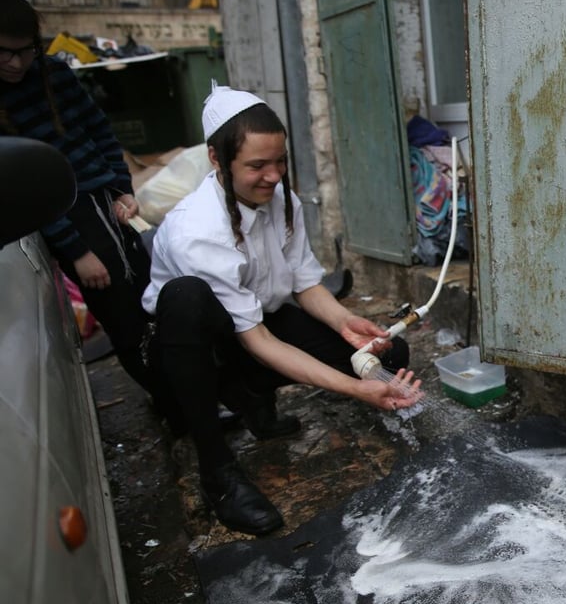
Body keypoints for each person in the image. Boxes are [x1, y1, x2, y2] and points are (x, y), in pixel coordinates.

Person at [142, 84, 422, 536]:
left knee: (386, 356)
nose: (273, 176)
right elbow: (257, 340)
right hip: (199, 349)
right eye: (256, 166)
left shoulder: (281, 199)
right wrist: (356, 390)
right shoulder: (196, 229)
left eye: (280, 162)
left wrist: (344, 322)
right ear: (217, 159)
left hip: (258, 323)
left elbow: (304, 283)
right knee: (186, 297)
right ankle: (217, 471)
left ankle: (253, 400)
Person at [0, 0, 160, 402]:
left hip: (106, 204)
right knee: (124, 321)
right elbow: (24, 193)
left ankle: (185, 396)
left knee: (153, 299)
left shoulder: (54, 73)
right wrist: (78, 252)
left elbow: (100, 130)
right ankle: (172, 406)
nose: (16, 63)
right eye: (4, 53)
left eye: (25, 52)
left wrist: (123, 186)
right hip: (67, 220)